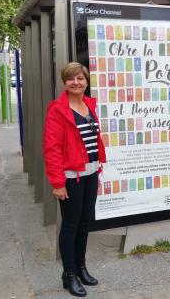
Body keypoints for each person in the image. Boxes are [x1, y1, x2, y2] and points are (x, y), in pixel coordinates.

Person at [43, 62, 106, 297]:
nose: (76, 82)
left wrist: (97, 172)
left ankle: (81, 268)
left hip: (90, 173)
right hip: (71, 177)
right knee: (70, 225)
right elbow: (52, 148)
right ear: (64, 82)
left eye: (80, 78)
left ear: (86, 81)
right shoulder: (57, 109)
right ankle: (69, 274)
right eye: (71, 79)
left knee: (84, 224)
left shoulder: (88, 104)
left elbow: (92, 143)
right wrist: (57, 183)